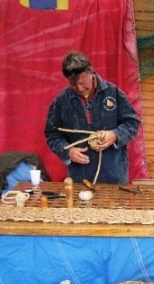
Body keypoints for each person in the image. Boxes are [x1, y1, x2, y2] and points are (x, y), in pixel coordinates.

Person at [44, 51, 140, 184]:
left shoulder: (114, 93)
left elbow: (132, 122)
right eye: (73, 84)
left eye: (83, 83)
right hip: (80, 178)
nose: (79, 88)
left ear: (92, 72)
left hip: (114, 176)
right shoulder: (62, 101)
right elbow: (52, 134)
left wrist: (115, 135)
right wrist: (67, 151)